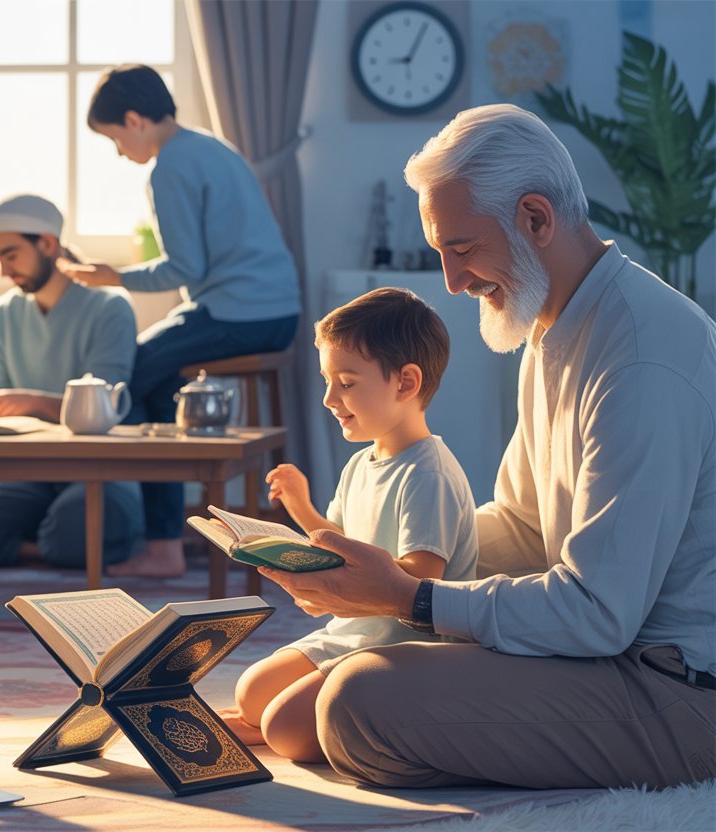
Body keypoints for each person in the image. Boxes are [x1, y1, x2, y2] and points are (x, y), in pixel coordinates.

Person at [258, 104, 716, 789]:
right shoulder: (557, 328)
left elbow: (600, 614)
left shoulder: (641, 357)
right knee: (340, 676)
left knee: (357, 701)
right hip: (608, 653)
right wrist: (388, 561)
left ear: (535, 219)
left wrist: (412, 599)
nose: (451, 281)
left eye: (462, 248)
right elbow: (526, 527)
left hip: (674, 688)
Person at [59, 64, 302, 578]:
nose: (119, 152)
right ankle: (165, 535)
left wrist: (112, 277)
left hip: (241, 313)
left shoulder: (168, 167)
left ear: (134, 120)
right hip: (278, 310)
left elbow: (184, 269)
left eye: (114, 139)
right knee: (157, 372)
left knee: (136, 370)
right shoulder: (212, 146)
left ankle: (162, 541)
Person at [218, 288, 477, 763]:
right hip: (355, 631)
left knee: (284, 729)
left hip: (406, 647)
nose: (329, 398)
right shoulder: (361, 464)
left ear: (405, 383)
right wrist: (300, 508)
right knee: (250, 691)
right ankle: (271, 720)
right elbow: (336, 541)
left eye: (346, 383)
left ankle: (285, 725)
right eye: (327, 381)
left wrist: (343, 588)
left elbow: (422, 580)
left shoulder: (429, 474)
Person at [0, 194, 143, 568]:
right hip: (25, 471)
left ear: (47, 244)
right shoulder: (1, 314)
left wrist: (32, 402)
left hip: (99, 470)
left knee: (77, 527)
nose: (3, 271)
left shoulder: (110, 306)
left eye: (10, 256)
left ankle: (32, 543)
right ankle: (42, 546)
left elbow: (104, 403)